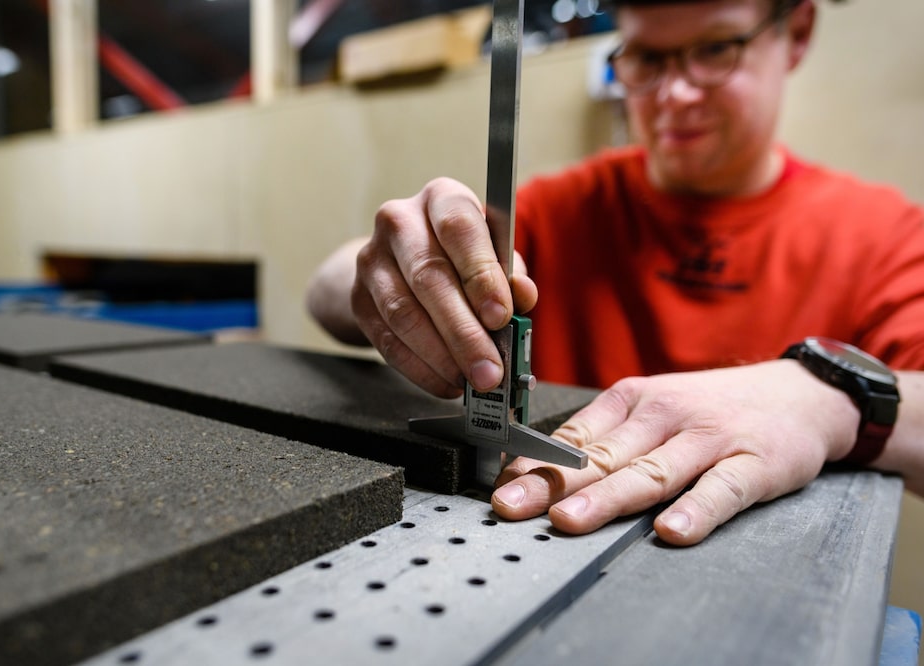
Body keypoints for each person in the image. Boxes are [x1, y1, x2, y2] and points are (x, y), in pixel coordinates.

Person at [305, 0, 924, 546]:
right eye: (648, 59)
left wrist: (824, 396)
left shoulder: (883, 235)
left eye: (715, 49)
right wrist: (387, 272)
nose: (675, 94)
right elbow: (324, 292)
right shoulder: (565, 209)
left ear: (798, 31)